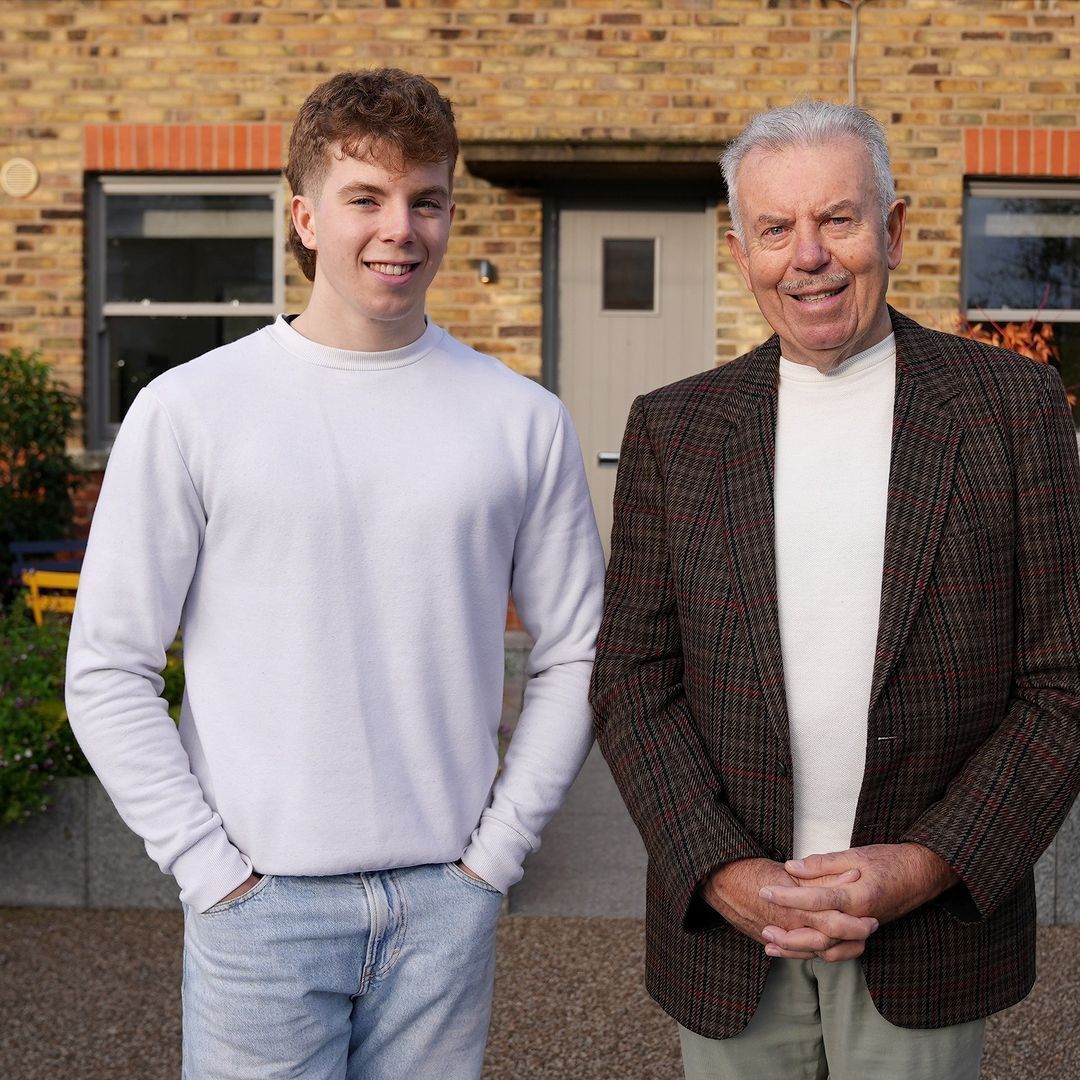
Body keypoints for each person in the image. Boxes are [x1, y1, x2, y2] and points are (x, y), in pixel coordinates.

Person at [66, 68, 604, 1079]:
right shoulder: (192, 411)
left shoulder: (520, 419)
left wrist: (494, 860)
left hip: (445, 904)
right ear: (307, 215)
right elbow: (107, 665)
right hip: (259, 910)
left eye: (427, 200)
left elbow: (578, 649)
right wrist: (208, 870)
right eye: (367, 198)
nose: (400, 228)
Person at [590, 99, 1080, 1080]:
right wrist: (723, 870)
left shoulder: (1013, 412)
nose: (807, 256)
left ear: (893, 229)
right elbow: (634, 684)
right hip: (732, 938)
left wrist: (927, 864)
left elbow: (1061, 687)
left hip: (926, 932)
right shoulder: (674, 431)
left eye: (838, 220)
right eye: (776, 229)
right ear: (740, 250)